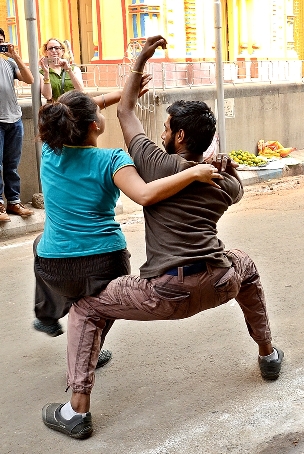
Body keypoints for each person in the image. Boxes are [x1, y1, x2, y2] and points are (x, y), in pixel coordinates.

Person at [42, 35, 283, 439]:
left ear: (180, 137)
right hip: (221, 279)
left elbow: (125, 111)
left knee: (85, 309)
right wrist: (222, 166)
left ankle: (76, 411)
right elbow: (238, 192)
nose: (162, 130)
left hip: (165, 292)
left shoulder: (154, 163)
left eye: (168, 127)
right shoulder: (221, 182)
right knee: (249, 267)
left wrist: (139, 59)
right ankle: (268, 354)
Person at [33, 85, 220, 367]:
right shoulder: (112, 160)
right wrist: (193, 172)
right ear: (95, 125)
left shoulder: (49, 150)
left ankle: (47, 313)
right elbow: (145, 194)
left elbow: (73, 109)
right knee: (106, 303)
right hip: (103, 266)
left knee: (40, 242)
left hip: (54, 268)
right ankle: (91, 351)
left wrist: (124, 94)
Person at [0, 28, 34, 222]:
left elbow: (29, 79)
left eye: (1, 41)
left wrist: (16, 56)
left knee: (12, 165)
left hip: (14, 120)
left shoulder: (9, 62)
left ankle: (14, 202)